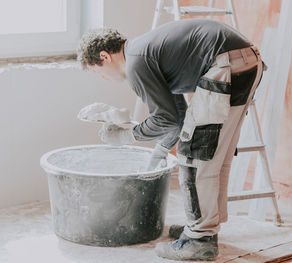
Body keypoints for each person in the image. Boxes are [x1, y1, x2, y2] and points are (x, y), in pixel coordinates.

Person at [77, 18, 263, 261]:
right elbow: (177, 121)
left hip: (224, 61)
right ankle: (202, 228)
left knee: (195, 154)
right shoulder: (146, 52)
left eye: (96, 71)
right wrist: (158, 153)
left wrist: (125, 135)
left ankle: (200, 239)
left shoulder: (135, 65)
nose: (102, 78)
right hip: (247, 61)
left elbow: (164, 119)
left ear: (104, 56)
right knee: (215, 153)